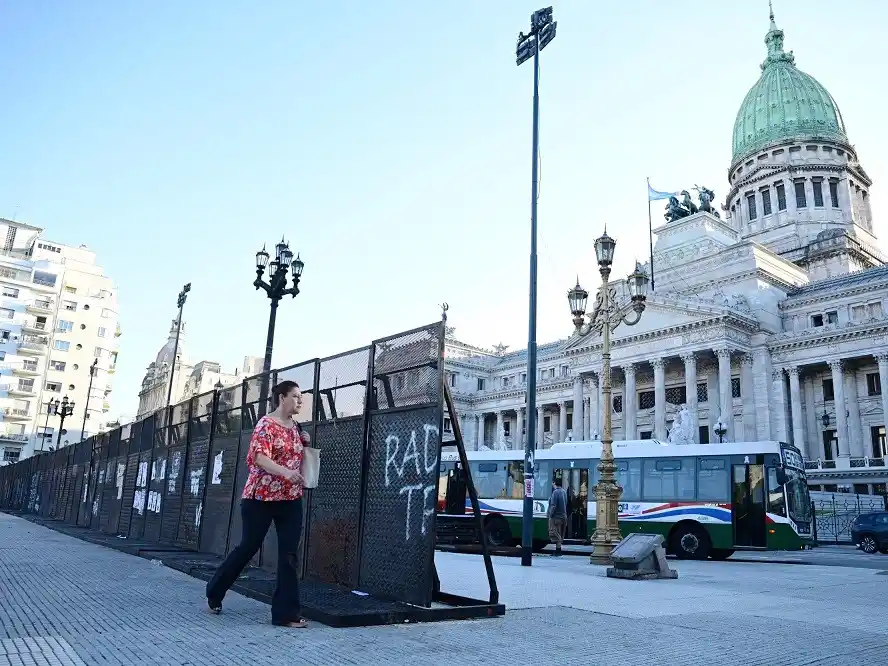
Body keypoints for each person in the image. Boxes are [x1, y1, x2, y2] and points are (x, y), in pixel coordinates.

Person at [206, 380, 309, 628]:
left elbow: (292, 455)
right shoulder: (265, 424)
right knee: (248, 547)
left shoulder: (295, 427)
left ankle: (286, 614)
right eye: (295, 396)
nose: (300, 401)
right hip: (260, 497)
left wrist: (303, 441)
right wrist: (285, 472)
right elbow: (260, 458)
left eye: (301, 397)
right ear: (282, 397)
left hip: (290, 498)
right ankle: (215, 590)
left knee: (289, 554)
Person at [547, 481, 568, 556]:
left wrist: (550, 514)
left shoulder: (555, 492)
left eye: (552, 483)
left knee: (555, 533)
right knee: (560, 533)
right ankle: (558, 550)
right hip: (563, 516)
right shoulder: (564, 492)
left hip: (556, 517)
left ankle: (558, 551)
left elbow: (553, 505)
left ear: (554, 483)